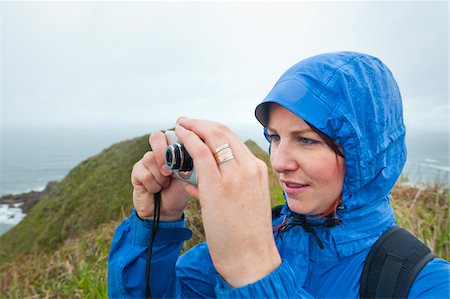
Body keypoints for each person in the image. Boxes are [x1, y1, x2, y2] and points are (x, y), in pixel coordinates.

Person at [108, 51, 449, 298]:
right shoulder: (253, 239)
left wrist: (254, 271)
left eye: (307, 140)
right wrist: (159, 223)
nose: (279, 161)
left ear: (367, 156)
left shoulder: (423, 283)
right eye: (274, 137)